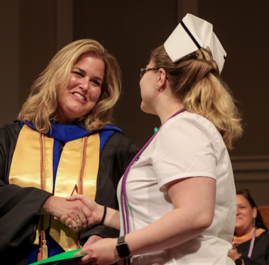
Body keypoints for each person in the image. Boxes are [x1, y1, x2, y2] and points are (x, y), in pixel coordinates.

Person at [61, 14, 243, 265]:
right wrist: (100, 214)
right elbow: (157, 221)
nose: (140, 78)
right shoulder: (179, 128)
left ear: (160, 77)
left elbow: (196, 215)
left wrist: (118, 247)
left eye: (143, 70)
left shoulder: (183, 128)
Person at [0, 39, 139, 265]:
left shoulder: (115, 149)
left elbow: (141, 211)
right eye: (78, 73)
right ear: (57, 74)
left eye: (95, 82)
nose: (85, 86)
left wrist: (103, 234)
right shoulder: (5, 141)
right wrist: (46, 202)